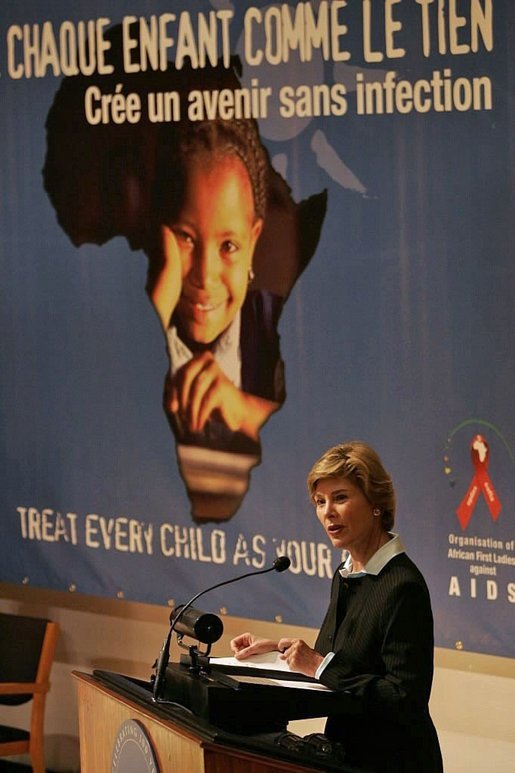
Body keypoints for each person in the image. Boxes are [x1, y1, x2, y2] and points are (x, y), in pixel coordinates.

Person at [231, 441, 443, 772]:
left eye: (340, 498)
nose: (327, 512)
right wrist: (279, 652)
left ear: (375, 502)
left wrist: (316, 664)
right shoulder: (346, 574)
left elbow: (404, 699)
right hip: (348, 754)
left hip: (394, 761)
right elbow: (344, 660)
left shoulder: (402, 586)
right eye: (319, 501)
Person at [146, 117, 285, 454]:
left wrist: (243, 411)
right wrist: (150, 322)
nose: (205, 276)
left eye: (229, 246)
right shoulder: (121, 323)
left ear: (253, 242)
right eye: (186, 238)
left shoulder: (278, 331)